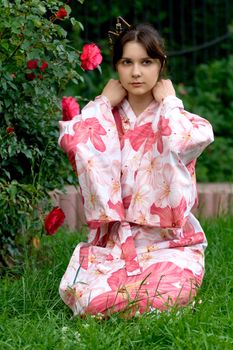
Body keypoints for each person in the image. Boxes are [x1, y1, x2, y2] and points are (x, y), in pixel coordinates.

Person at [58, 19, 214, 318]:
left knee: (167, 295)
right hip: (117, 242)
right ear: (116, 67)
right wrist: (103, 102)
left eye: (146, 62)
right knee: (92, 301)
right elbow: (74, 141)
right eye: (126, 62)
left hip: (170, 242)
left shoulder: (174, 115)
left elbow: (189, 139)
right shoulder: (105, 115)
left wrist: (169, 102)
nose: (136, 72)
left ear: (160, 65)